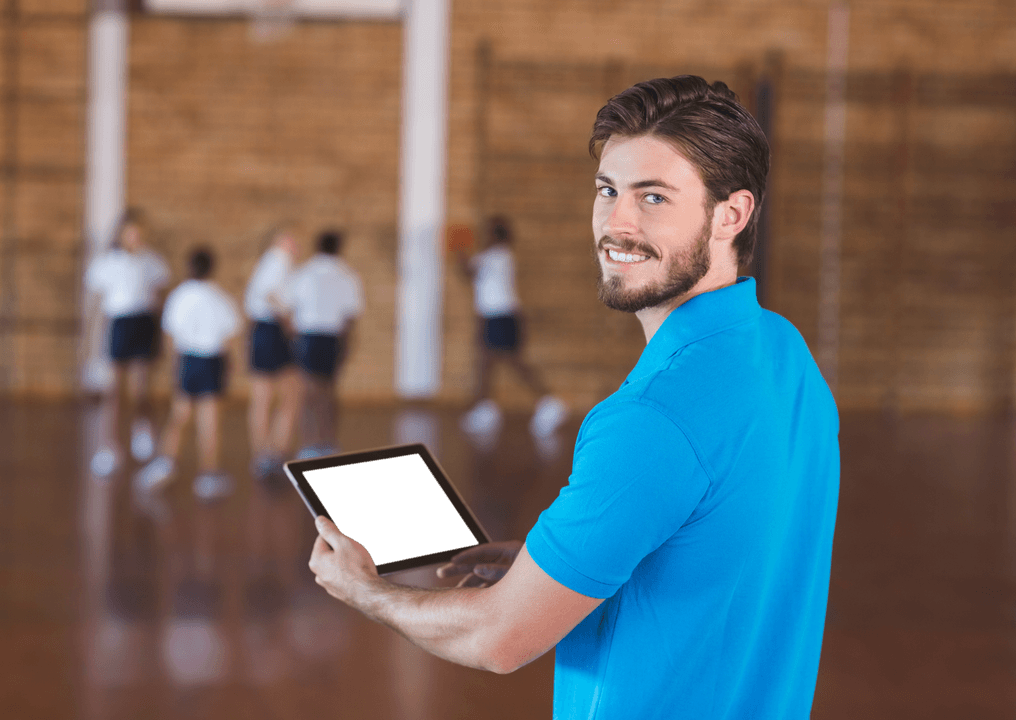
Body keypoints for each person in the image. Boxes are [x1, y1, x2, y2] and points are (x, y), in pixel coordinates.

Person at [306, 76, 840, 719]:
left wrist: (366, 590)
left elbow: (498, 637)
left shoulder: (649, 421)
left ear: (732, 214)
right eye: (608, 190)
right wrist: (553, 563)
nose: (617, 223)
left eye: (654, 197)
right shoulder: (784, 350)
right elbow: (721, 541)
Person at [136, 247, 241, 500]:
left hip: (188, 359)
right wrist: (230, 365)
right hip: (212, 359)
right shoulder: (220, 298)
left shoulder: (179, 296)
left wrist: (175, 362)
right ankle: (208, 474)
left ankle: (165, 463)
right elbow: (230, 336)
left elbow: (170, 334)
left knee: (180, 414)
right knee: (210, 418)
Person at [456, 216, 568, 438]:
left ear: (495, 235)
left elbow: (468, 271)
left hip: (501, 317)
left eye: (488, 231)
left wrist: (459, 248)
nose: (484, 235)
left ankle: (550, 402)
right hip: (493, 317)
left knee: (512, 361)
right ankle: (486, 409)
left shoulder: (497, 256)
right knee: (486, 362)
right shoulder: (495, 256)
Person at [85, 208, 171, 477]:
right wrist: (90, 339)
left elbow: (158, 299)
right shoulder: (108, 263)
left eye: (139, 233)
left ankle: (141, 431)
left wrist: (161, 334)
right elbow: (98, 305)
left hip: (143, 323)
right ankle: (109, 445)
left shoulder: (152, 262)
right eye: (131, 232)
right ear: (122, 234)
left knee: (140, 387)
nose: (136, 237)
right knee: (113, 390)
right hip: (119, 324)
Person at [275, 230, 363, 459]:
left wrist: (293, 335)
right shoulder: (348, 276)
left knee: (307, 391)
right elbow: (350, 317)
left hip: (308, 336)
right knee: (330, 390)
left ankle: (308, 442)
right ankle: (328, 439)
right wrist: (348, 343)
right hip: (333, 336)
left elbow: (286, 309)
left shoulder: (303, 273)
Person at [244, 225, 301, 478]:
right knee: (272, 394)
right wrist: (288, 319)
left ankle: (270, 452)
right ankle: (268, 452)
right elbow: (269, 295)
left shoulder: (279, 264)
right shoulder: (277, 260)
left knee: (276, 394)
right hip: (271, 330)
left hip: (266, 331)